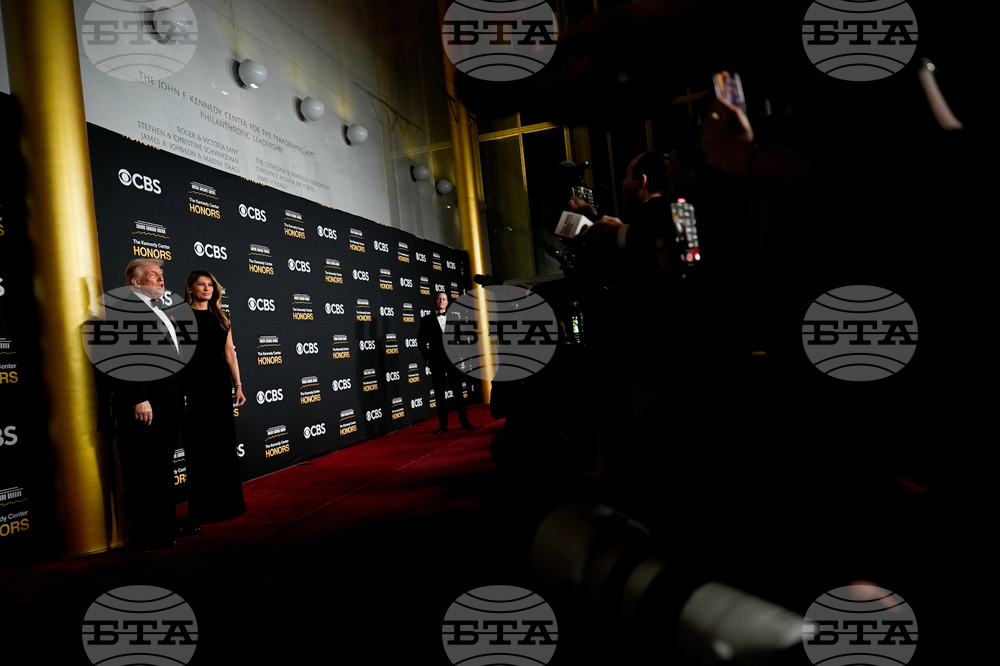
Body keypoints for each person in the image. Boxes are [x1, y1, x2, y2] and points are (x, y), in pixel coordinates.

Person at [113, 259, 185, 549]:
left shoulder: (160, 309)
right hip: (145, 403)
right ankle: (148, 532)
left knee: (162, 467)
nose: (160, 279)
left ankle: (165, 523)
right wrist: (138, 397)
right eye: (154, 275)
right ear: (135, 282)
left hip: (167, 401)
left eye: (162, 275)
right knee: (145, 470)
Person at [181, 270, 247, 528]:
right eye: (201, 284)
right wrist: (181, 387)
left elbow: (230, 354)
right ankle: (202, 511)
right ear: (190, 287)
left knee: (222, 444)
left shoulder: (222, 316)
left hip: (219, 385)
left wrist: (238, 385)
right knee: (199, 448)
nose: (207, 289)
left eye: (210, 285)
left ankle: (228, 506)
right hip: (194, 386)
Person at [417, 291, 475, 434]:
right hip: (436, 362)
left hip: (454, 361)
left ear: (447, 303)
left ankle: (465, 422)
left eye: (444, 299)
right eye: (439, 299)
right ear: (434, 301)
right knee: (439, 395)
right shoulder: (426, 320)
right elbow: (421, 341)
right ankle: (443, 426)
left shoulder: (455, 318)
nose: (441, 301)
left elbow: (462, 339)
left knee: (458, 394)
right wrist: (428, 359)